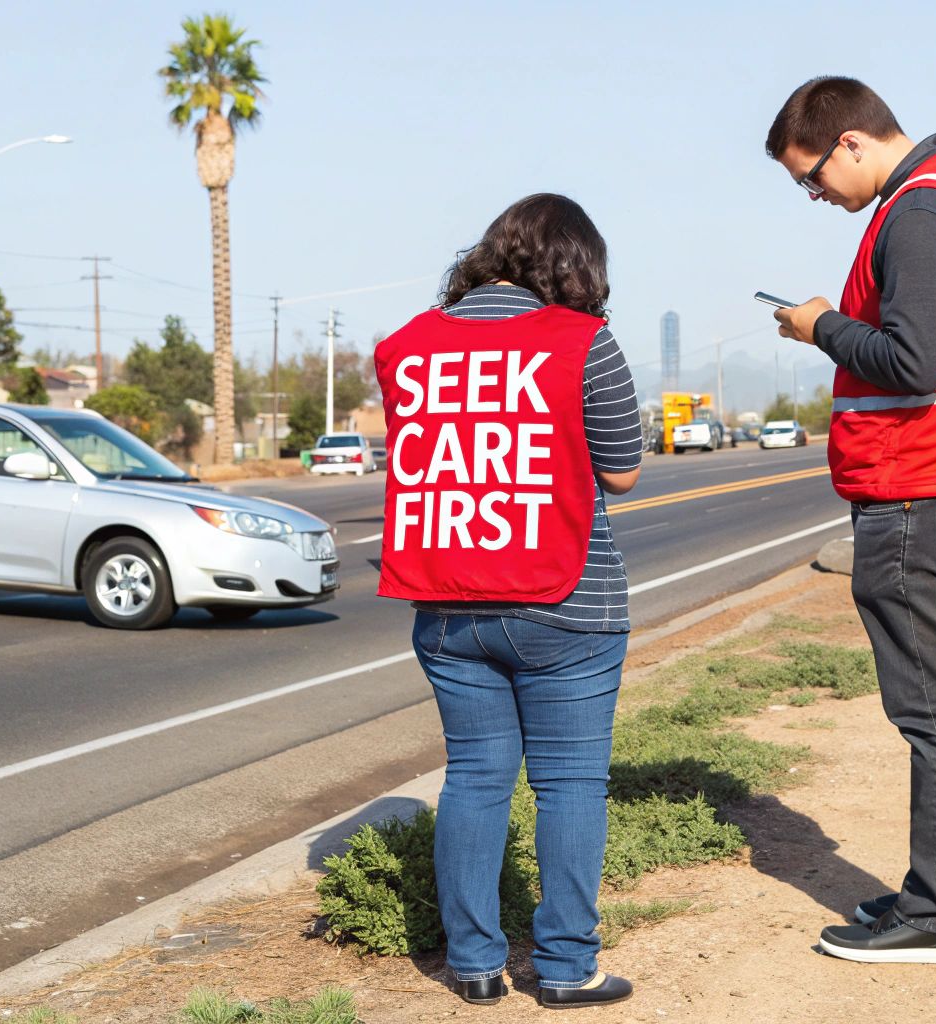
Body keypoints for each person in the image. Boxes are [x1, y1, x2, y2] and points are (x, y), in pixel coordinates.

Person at [764, 76, 936, 965]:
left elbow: (913, 362)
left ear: (847, 143)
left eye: (810, 179)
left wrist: (820, 326)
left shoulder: (918, 210)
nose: (815, 198)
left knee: (930, 711)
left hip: (924, 487)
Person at [375, 193, 643, 1008]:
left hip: (447, 605)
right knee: (568, 785)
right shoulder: (584, 341)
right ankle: (565, 969)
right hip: (567, 604)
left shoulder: (406, 349)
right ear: (576, 266)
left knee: (476, 777)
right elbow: (623, 470)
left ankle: (474, 964)